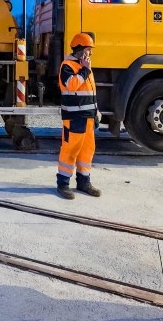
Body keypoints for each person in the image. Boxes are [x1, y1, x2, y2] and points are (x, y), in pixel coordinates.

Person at [56, 32, 101, 199]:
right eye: (89, 50)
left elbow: (91, 93)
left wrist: (97, 112)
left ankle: (84, 182)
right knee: (70, 150)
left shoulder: (85, 68)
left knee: (87, 151)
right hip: (74, 118)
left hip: (88, 117)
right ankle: (63, 184)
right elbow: (72, 85)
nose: (90, 53)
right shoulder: (67, 66)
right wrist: (84, 70)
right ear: (81, 50)